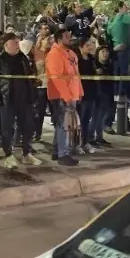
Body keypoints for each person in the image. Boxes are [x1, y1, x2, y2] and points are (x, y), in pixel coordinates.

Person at [0, 33, 42, 169]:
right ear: (7, 44)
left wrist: (34, 84)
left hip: (25, 99)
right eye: (15, 43)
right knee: (7, 128)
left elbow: (29, 75)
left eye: (18, 42)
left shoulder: (23, 58)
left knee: (28, 127)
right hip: (7, 99)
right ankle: (8, 155)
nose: (18, 45)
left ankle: (26, 153)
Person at [45, 29, 83, 166]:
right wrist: (67, 96)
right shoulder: (54, 54)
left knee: (63, 124)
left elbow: (76, 75)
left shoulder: (71, 54)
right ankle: (63, 154)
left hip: (71, 94)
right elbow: (57, 79)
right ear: (59, 39)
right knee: (63, 124)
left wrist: (79, 92)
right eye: (67, 37)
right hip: (60, 95)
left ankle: (57, 151)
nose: (70, 38)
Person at [92, 46, 113, 146]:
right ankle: (91, 137)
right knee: (96, 117)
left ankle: (99, 137)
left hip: (107, 93)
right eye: (103, 51)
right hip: (97, 94)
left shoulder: (110, 65)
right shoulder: (94, 65)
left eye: (107, 52)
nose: (105, 54)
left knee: (102, 117)